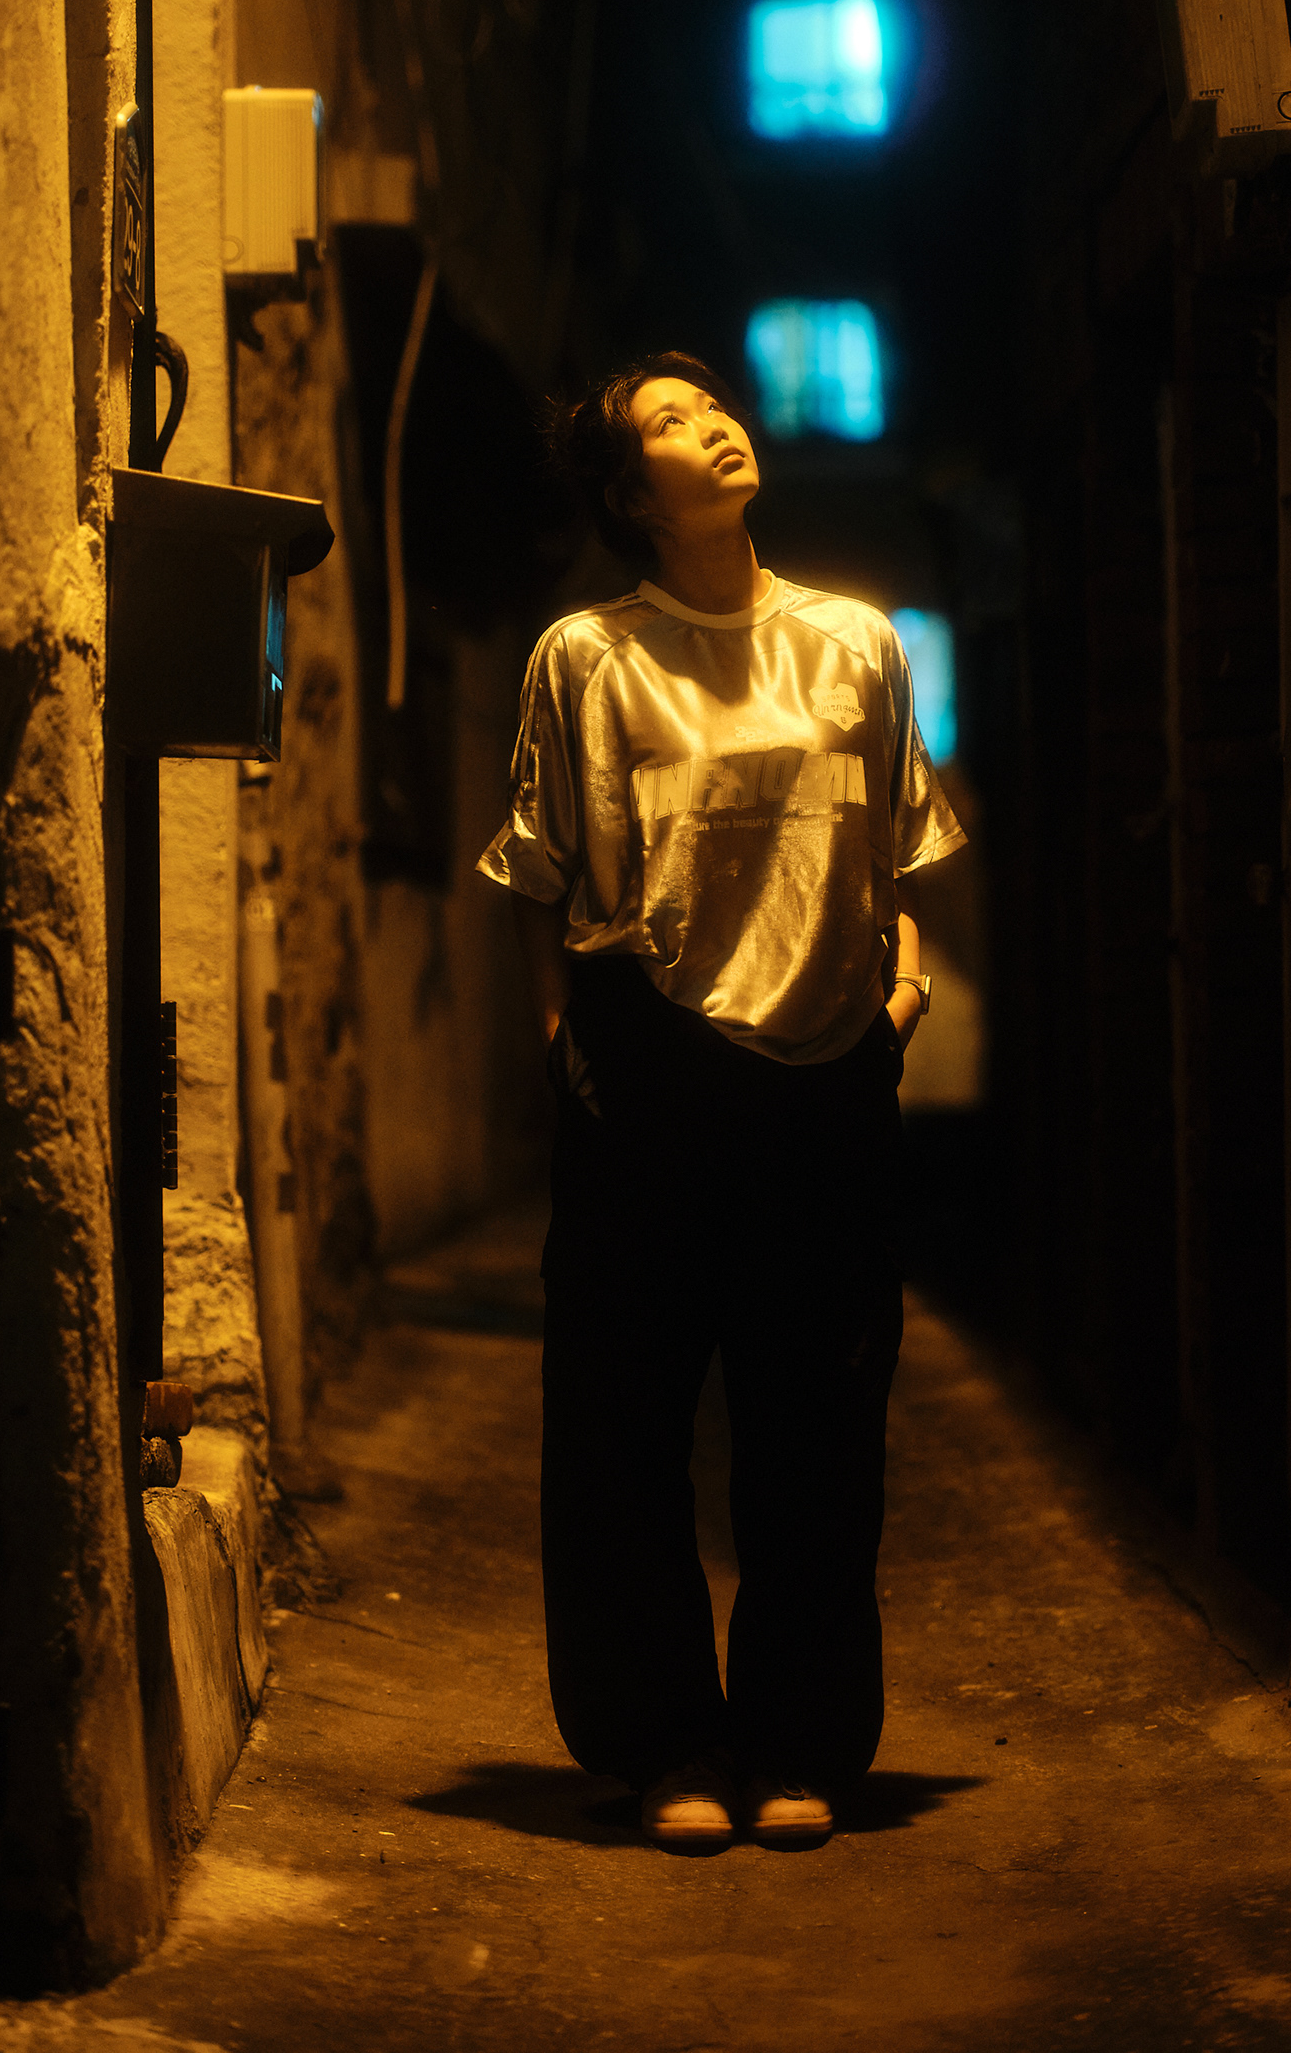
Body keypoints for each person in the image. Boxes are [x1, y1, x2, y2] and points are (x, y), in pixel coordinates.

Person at [476, 350, 965, 1853]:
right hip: (648, 1069)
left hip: (828, 1072)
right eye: (673, 425)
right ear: (632, 495)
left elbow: (896, 846)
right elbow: (541, 872)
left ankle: (801, 1739)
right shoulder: (586, 658)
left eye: (712, 407)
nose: (717, 427)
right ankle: (665, 1746)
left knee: (818, 1426)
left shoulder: (857, 642)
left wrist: (900, 992)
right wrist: (567, 1037)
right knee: (622, 1429)